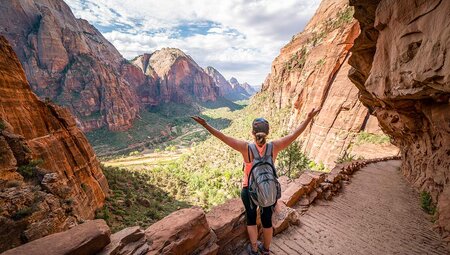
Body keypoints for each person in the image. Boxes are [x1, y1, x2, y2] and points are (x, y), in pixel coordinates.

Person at [191, 107, 320, 254]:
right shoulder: (274, 147)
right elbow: (295, 134)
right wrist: (309, 118)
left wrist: (205, 124)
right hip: (268, 190)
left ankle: (253, 248)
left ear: (252, 133)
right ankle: (266, 250)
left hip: (249, 190)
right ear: (267, 133)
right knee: (266, 221)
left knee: (251, 218)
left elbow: (222, 137)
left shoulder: (245, 148)